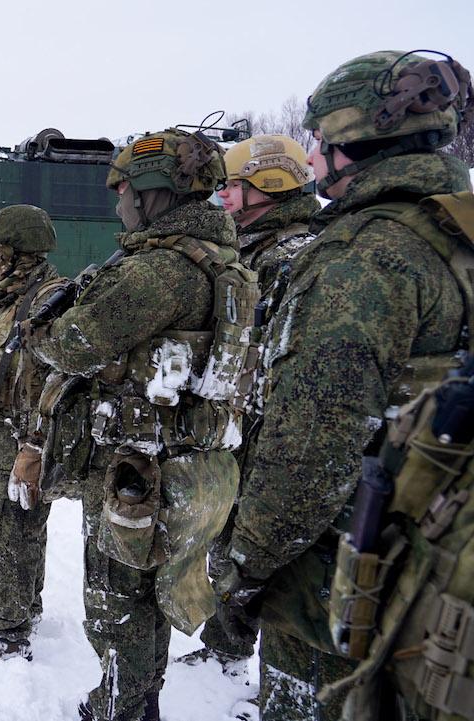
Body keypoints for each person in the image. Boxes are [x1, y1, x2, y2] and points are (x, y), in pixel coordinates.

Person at [216, 50, 471, 721]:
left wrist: (243, 567)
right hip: (441, 562)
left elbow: (310, 451)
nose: (313, 157)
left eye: (320, 140)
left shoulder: (362, 258)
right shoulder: (455, 234)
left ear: (353, 140)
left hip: (345, 581)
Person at [24, 129, 246, 721]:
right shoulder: (219, 260)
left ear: (153, 193)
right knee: (150, 593)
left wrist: (40, 327)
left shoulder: (158, 272)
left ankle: (120, 707)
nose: (117, 201)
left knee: (117, 602)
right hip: (186, 459)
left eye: (123, 189)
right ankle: (139, 700)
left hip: (137, 468)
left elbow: (74, 345)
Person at [177, 134, 320, 674]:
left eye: (232, 186)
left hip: (273, 430)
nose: (222, 197)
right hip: (244, 421)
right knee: (229, 539)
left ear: (269, 186)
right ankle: (227, 645)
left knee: (258, 549)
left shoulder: (289, 257)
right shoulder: (254, 249)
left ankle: (242, 654)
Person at [0, 204, 65, 660]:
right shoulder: (8, 296)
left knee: (8, 532)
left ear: (19, 252)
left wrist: (34, 445)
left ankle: (10, 630)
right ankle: (26, 608)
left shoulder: (48, 300)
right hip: (3, 430)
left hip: (25, 436)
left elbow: (52, 380)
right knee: (23, 525)